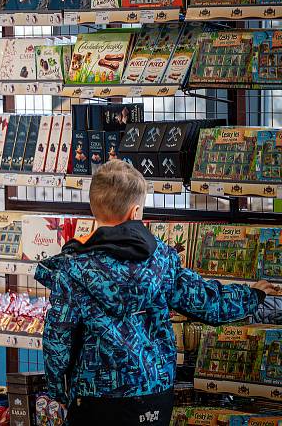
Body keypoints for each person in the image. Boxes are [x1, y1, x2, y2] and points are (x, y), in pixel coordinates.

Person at [35, 159, 278, 426]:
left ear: (93, 207)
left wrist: (57, 391)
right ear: (136, 211)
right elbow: (205, 301)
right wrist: (252, 296)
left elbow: (57, 337)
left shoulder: (74, 268)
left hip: (95, 396)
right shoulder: (161, 260)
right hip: (153, 390)